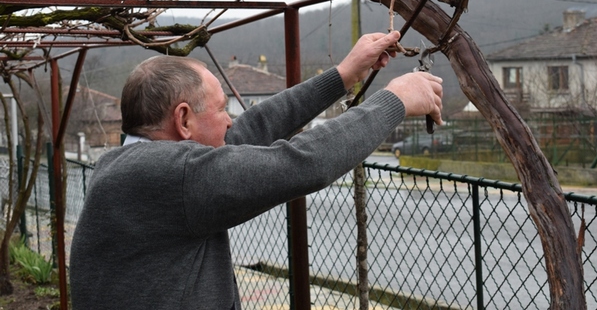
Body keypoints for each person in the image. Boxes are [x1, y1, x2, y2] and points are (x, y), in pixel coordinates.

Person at [69, 30, 443, 310]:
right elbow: (303, 163)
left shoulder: (131, 164)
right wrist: (395, 100)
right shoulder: (172, 175)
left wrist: (344, 74)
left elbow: (255, 126)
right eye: (221, 110)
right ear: (183, 119)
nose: (231, 122)